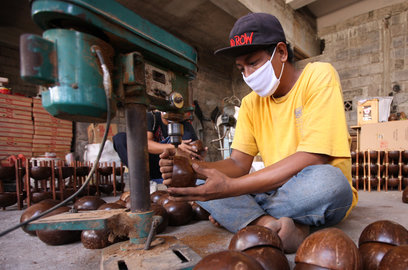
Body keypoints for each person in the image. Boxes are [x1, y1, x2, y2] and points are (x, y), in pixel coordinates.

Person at [159, 13, 358, 253]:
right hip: (272, 188)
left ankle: (249, 217)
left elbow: (314, 156)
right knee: (203, 181)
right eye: (242, 68)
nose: (249, 75)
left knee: (330, 183)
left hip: (310, 190)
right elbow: (238, 163)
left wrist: (231, 191)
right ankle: (273, 225)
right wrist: (192, 168)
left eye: (254, 63)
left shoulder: (318, 76)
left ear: (282, 53)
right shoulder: (250, 104)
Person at [112, 110, 201, 180]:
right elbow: (146, 145)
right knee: (120, 138)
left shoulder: (185, 125)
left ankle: (177, 180)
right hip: (147, 165)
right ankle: (142, 180)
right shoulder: (152, 117)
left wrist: (198, 153)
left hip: (171, 168)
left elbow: (191, 151)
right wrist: (174, 147)